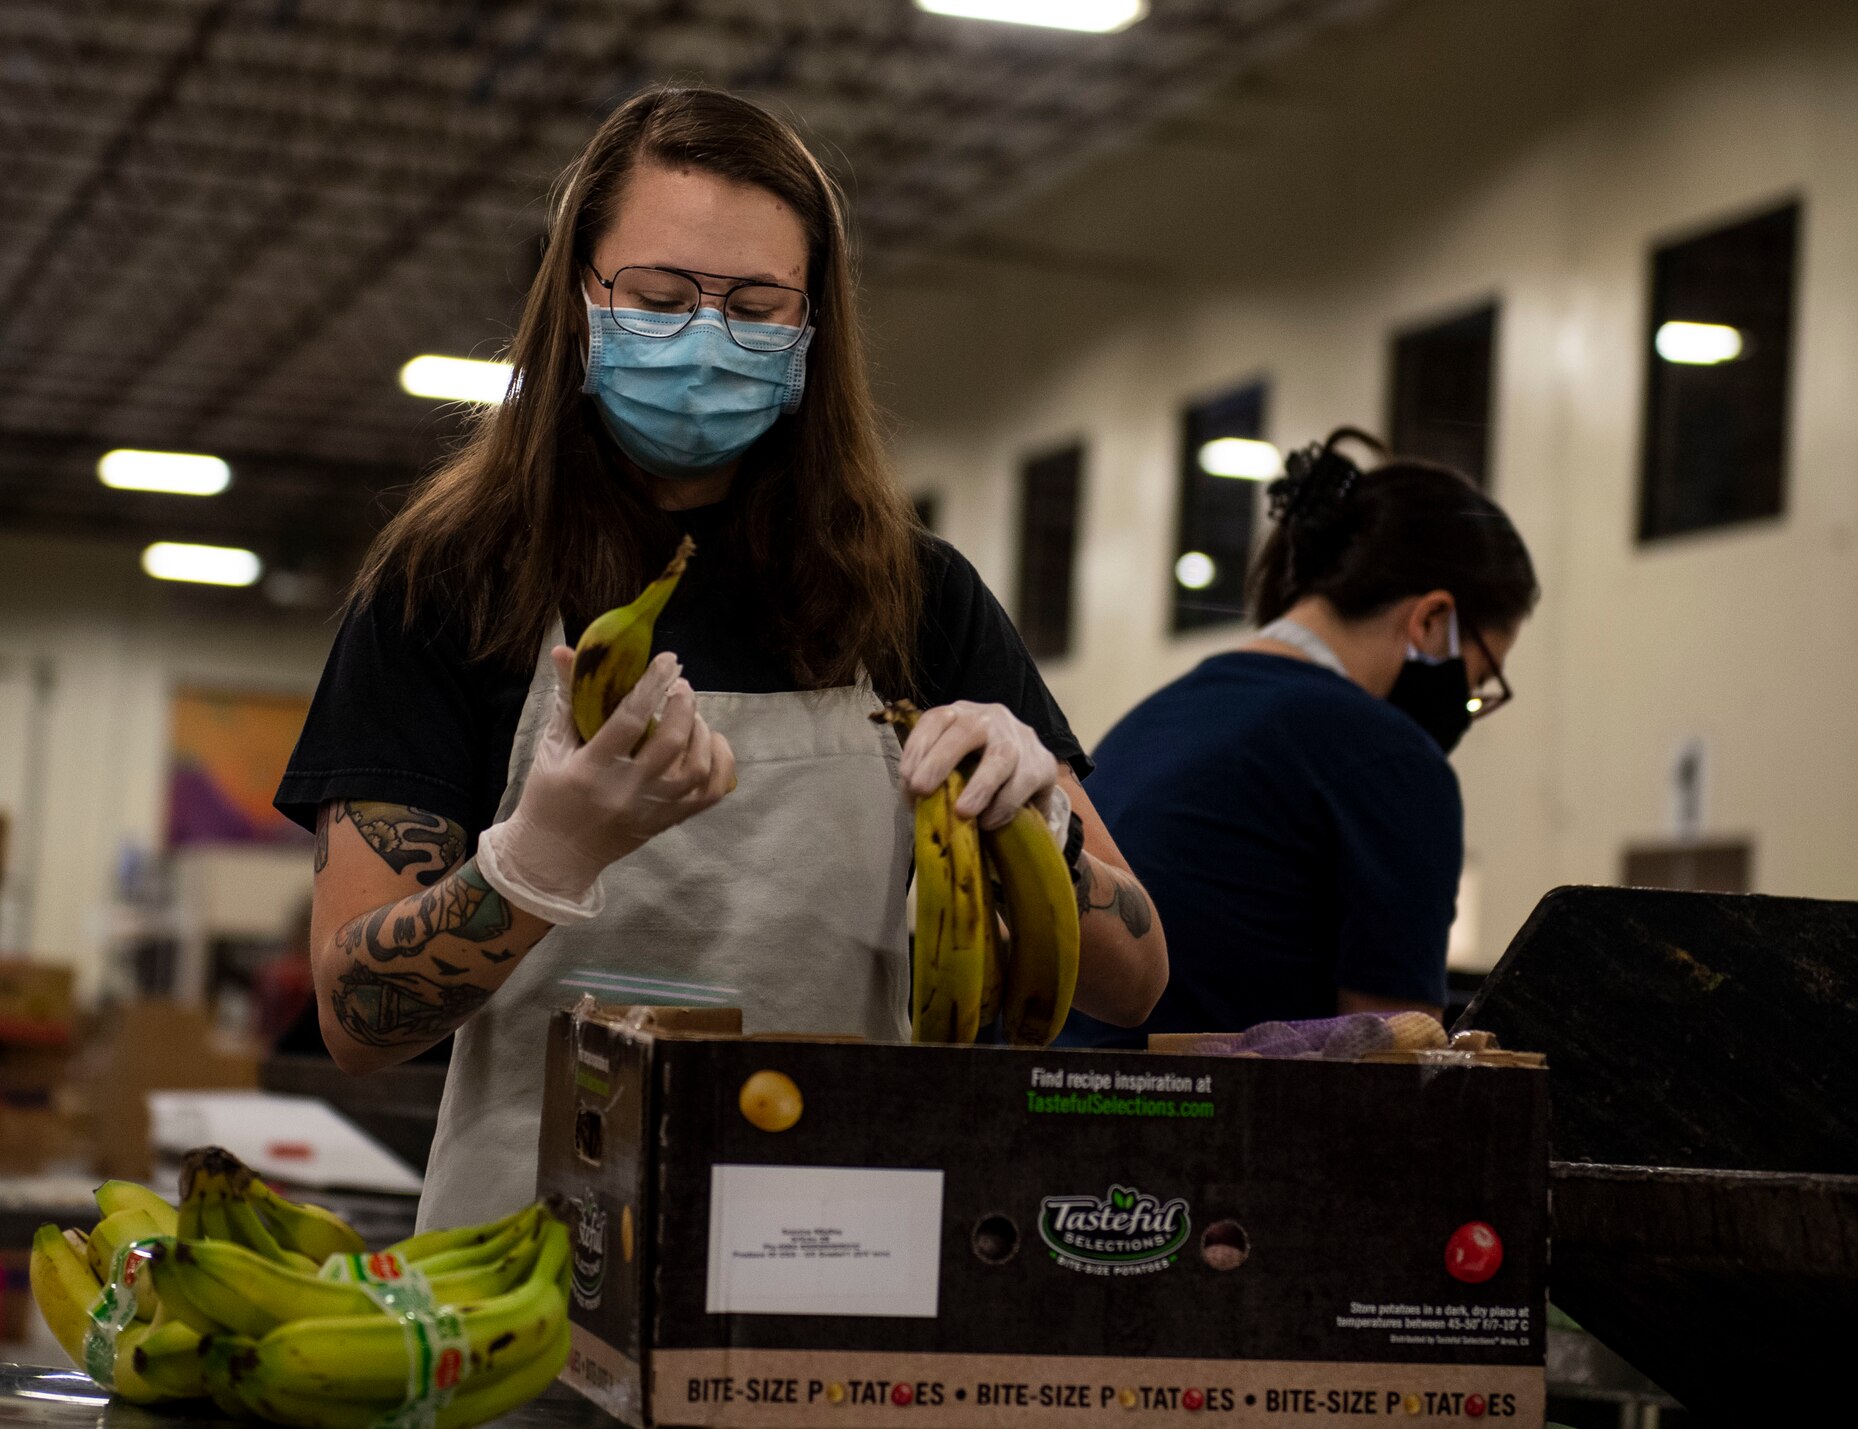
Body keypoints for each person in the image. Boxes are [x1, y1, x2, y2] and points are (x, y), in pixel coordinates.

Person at [275, 86, 1167, 1227]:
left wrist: (1033, 823)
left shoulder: (908, 596)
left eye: (755, 306)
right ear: (579, 302)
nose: (705, 338)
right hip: (525, 1275)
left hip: (837, 1242)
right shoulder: (451, 587)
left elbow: (1134, 981)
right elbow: (356, 1020)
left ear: (811, 331)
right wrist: (537, 860)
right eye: (658, 297)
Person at [1058, 428, 1537, 1048]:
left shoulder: (1156, 717)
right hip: (1207, 1132)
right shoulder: (1393, 759)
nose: (1468, 711)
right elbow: (1395, 1068)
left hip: (1049, 1108)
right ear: (1431, 621)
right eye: (1476, 682)